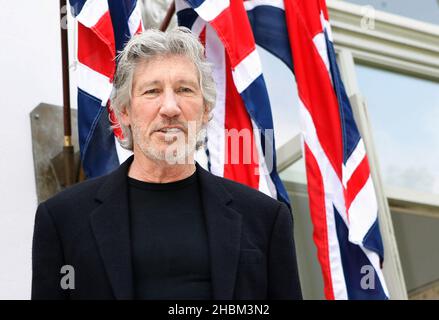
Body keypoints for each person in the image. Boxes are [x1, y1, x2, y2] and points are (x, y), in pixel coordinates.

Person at [31, 27, 302, 300]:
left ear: (206, 110)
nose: (170, 108)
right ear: (123, 111)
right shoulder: (62, 220)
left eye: (184, 89)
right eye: (152, 91)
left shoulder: (266, 219)